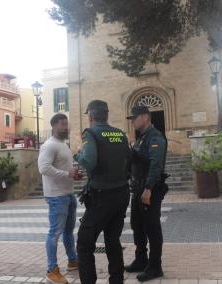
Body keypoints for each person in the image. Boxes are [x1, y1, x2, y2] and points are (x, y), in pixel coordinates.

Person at [74, 100, 131, 284]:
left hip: (102, 196)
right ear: (106, 115)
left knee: (84, 244)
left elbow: (89, 162)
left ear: (90, 116)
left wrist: (77, 155)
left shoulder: (90, 133)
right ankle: (117, 280)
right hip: (122, 193)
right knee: (112, 240)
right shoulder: (120, 134)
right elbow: (129, 161)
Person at [125, 106, 168, 282]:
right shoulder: (141, 138)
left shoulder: (155, 137)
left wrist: (148, 188)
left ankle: (155, 266)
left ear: (145, 117)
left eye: (134, 118)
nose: (132, 121)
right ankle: (141, 259)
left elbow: (155, 165)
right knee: (137, 224)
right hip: (138, 187)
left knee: (152, 227)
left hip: (149, 189)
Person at [38, 113, 81, 284]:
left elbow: (65, 169)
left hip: (68, 194)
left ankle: (72, 260)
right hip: (56, 197)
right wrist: (67, 173)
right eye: (63, 124)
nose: (66, 127)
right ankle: (51, 270)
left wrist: (73, 174)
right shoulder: (49, 145)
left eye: (67, 124)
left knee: (68, 231)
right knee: (54, 233)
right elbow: (43, 168)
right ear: (54, 126)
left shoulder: (63, 145)